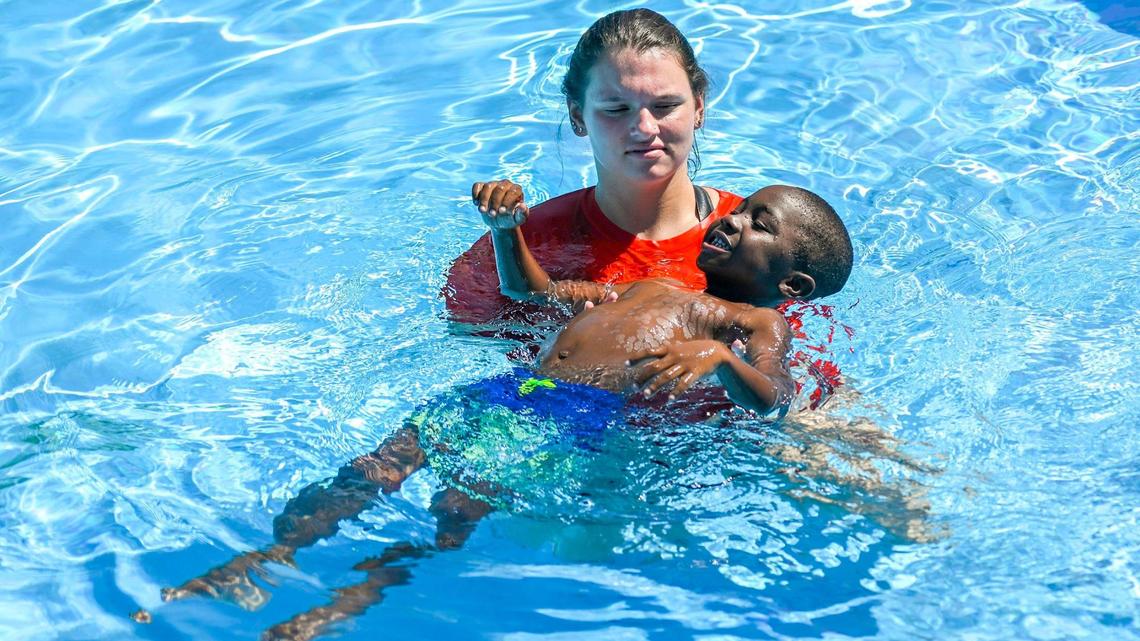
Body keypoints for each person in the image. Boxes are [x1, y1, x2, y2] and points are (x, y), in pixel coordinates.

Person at [160, 181, 853, 641]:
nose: (730, 217)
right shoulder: (649, 282)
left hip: (572, 421)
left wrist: (721, 360)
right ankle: (267, 555)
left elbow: (776, 399)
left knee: (459, 506)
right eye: (739, 207)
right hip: (512, 391)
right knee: (378, 466)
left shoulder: (754, 324)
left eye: (757, 223)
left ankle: (358, 595)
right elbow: (536, 289)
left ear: (791, 283)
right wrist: (505, 229)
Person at [445, 8, 744, 327]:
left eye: (665, 106)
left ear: (698, 107)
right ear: (578, 116)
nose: (645, 128)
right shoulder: (525, 246)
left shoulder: (758, 241)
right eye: (616, 109)